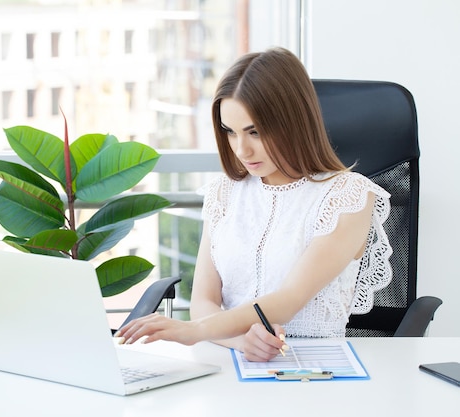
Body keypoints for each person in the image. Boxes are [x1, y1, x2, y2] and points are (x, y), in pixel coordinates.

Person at [115, 47, 393, 361]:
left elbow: (289, 299)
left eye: (255, 132)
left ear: (295, 122)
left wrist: (196, 331)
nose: (242, 150)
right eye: (229, 132)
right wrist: (241, 342)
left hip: (317, 368)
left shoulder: (348, 196)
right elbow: (203, 301)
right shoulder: (225, 192)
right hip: (233, 361)